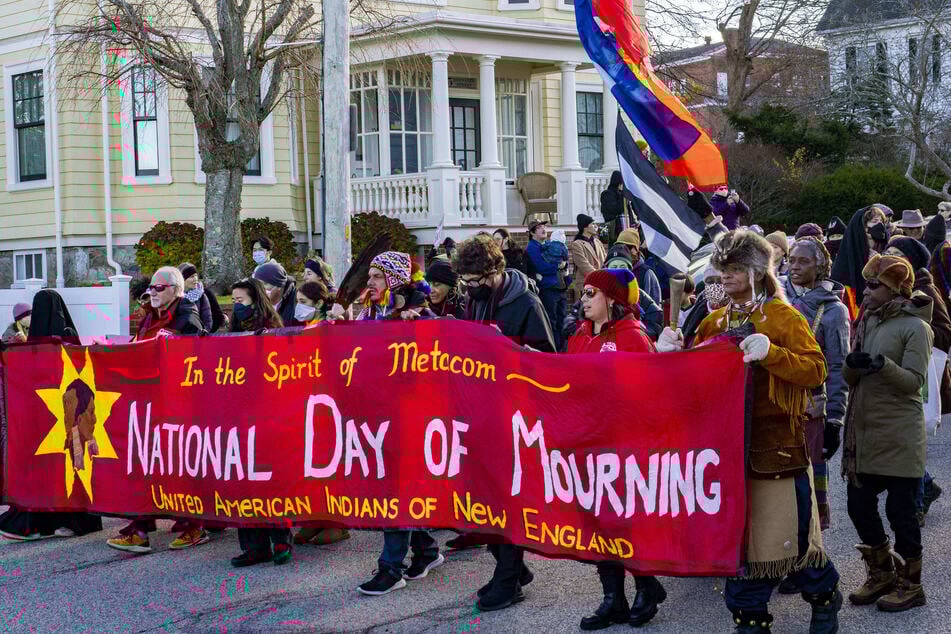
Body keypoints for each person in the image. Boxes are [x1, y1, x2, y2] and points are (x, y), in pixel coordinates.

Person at [657, 230, 841, 634]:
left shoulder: (782, 316)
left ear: (757, 271)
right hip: (726, 455)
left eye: (734, 269)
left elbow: (816, 370)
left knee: (793, 546)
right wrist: (671, 354)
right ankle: (751, 622)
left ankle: (825, 600)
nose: (724, 276)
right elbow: (690, 380)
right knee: (740, 551)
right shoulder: (714, 320)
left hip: (775, 451)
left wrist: (772, 353)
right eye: (722, 268)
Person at [452, 235, 554, 611]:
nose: (471, 289)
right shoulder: (470, 302)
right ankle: (511, 568)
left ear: (495, 271)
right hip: (479, 413)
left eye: (477, 281)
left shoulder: (525, 302)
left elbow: (548, 358)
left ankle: (508, 580)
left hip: (515, 417)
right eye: (466, 282)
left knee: (507, 502)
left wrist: (507, 348)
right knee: (480, 501)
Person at [565, 269, 667, 630]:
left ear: (611, 299)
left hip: (623, 448)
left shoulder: (634, 337)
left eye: (591, 293)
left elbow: (652, 393)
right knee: (597, 524)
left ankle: (645, 584)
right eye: (583, 292)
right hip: (586, 445)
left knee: (626, 521)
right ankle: (613, 599)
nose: (584, 298)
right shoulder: (578, 336)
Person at [842, 255, 931, 612]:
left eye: (874, 284)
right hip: (864, 432)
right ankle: (882, 573)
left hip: (899, 433)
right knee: (858, 507)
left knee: (901, 513)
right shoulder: (868, 320)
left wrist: (882, 366)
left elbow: (914, 383)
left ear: (894, 287)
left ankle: (912, 584)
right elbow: (851, 381)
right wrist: (853, 365)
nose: (866, 290)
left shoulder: (916, 327)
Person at [107, 268, 205, 553]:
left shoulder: (187, 312)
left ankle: (194, 525)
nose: (153, 292)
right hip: (148, 398)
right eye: (151, 287)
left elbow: (195, 347)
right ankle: (141, 524)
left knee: (178, 464)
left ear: (175, 289)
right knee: (144, 462)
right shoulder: (150, 314)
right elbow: (141, 345)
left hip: (179, 403)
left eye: (159, 287)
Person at [0, 290, 102, 541]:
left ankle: (65, 519)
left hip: (62, 414)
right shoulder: (57, 338)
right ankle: (63, 518)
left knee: (62, 465)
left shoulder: (45, 341)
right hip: (62, 413)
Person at [780, 238, 851, 542]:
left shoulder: (833, 311)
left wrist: (835, 419)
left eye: (803, 261)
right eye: (791, 260)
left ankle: (810, 556)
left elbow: (839, 368)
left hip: (810, 411)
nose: (794, 267)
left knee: (805, 489)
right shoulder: (775, 300)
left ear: (820, 266)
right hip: (774, 409)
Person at [223, 278, 293, 567]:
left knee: (272, 480)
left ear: (256, 299)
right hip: (240, 415)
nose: (236, 306)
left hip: (270, 416)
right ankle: (253, 546)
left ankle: (280, 540)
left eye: (241, 301)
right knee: (244, 482)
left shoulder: (274, 328)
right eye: (234, 301)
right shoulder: (233, 331)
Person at [831, 206, 890, 319]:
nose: (880, 225)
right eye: (875, 221)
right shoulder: (847, 260)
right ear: (863, 228)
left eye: (882, 221)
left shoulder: (886, 251)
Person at [353, 252, 433, 321]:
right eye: (370, 277)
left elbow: (438, 332)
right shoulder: (370, 311)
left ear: (396, 281)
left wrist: (418, 322)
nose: (369, 282)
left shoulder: (419, 307)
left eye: (377, 276)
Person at [525, 219, 568, 349]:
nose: (544, 229)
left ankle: (563, 351)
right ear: (532, 233)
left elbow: (564, 260)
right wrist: (557, 265)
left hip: (560, 287)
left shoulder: (550, 244)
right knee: (552, 322)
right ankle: (554, 352)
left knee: (563, 321)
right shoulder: (531, 248)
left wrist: (563, 265)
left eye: (544, 226)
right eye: (539, 227)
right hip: (548, 289)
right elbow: (541, 266)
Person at [179, 262, 225, 333]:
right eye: (192, 277)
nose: (195, 279)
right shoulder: (175, 296)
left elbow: (212, 317)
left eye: (196, 276)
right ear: (182, 280)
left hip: (201, 336)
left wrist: (205, 332)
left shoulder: (203, 294)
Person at [568, 214, 607, 299]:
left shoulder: (597, 242)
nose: (595, 226)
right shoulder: (577, 244)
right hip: (586, 284)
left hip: (601, 283)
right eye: (592, 224)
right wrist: (599, 276)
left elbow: (605, 260)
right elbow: (583, 264)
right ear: (585, 227)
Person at [253, 262, 297, 327]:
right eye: (258, 285)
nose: (260, 289)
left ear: (279, 286)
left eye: (265, 284)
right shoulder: (254, 304)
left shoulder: (298, 304)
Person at [600, 171, 636, 242]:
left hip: (628, 230)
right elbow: (616, 209)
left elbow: (630, 211)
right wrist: (623, 195)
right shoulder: (607, 194)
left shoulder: (623, 195)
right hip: (615, 231)